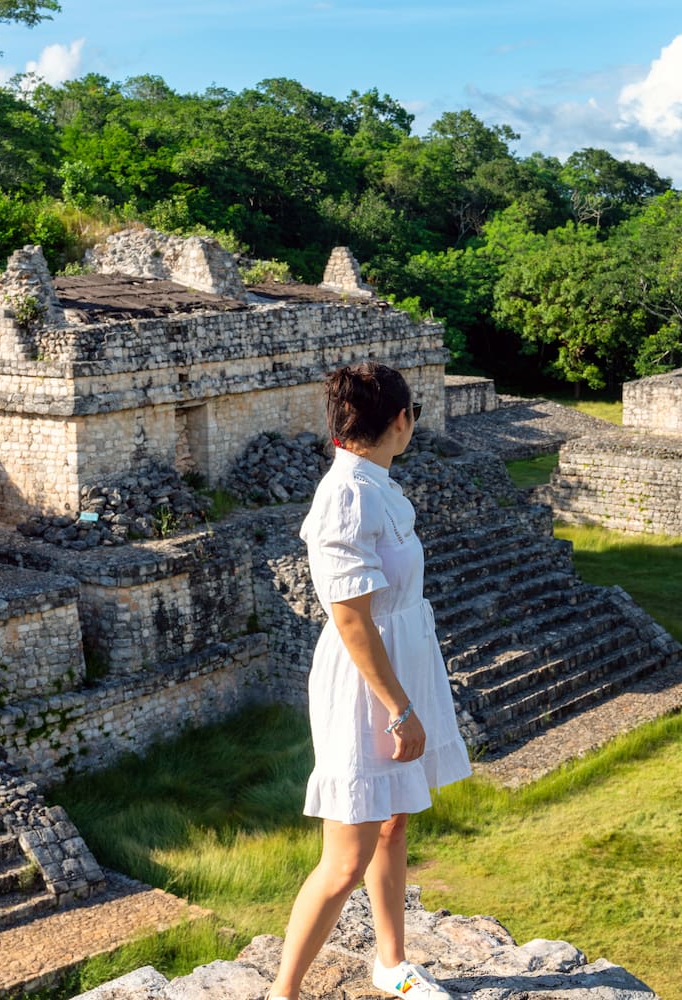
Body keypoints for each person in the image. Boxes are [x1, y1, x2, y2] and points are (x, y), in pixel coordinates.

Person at [269, 362, 471, 1000]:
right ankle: (284, 992)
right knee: (344, 860)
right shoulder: (346, 494)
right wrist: (398, 709)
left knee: (394, 820)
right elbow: (351, 617)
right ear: (402, 420)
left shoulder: (377, 483)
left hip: (398, 665)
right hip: (367, 686)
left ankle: (391, 962)